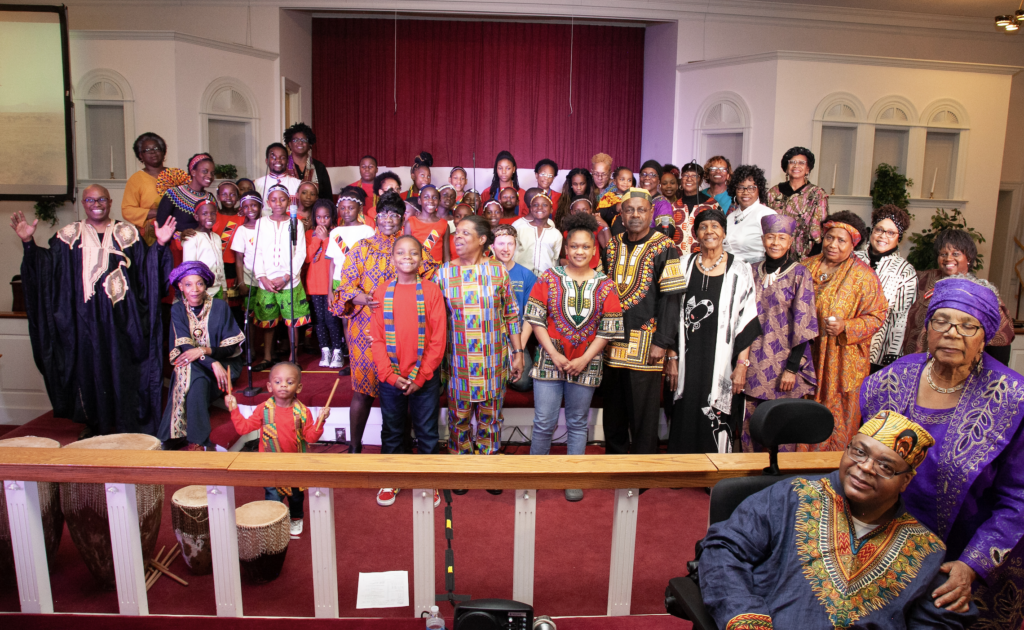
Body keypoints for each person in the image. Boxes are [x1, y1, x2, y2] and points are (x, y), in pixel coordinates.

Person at [700, 411, 977, 629]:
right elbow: (723, 551)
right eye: (859, 451)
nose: (865, 467)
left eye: (885, 466)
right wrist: (746, 619)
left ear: (905, 481)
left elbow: (936, 622)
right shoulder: (792, 497)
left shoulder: (925, 549)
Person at [861, 276, 1024, 627]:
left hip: (967, 562)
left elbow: (1019, 498)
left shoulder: (1012, 399)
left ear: (985, 338)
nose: (952, 332)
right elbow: (861, 463)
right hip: (890, 553)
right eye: (942, 321)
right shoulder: (887, 381)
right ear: (928, 328)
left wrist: (972, 565)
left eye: (968, 325)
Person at [13, 185, 175, 437]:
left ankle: (125, 423)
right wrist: (28, 244)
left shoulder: (128, 233)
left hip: (122, 321)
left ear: (110, 202)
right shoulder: (67, 235)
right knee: (89, 370)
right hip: (82, 322)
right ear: (84, 203)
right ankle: (95, 423)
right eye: (90, 199)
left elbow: (146, 271)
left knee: (122, 367)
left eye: (101, 199)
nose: (96, 203)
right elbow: (47, 272)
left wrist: (161, 246)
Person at [525, 212, 624, 501]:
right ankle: (533, 475)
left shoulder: (606, 284)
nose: (579, 251)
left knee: (578, 422)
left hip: (587, 363)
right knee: (544, 421)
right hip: (548, 361)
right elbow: (535, 318)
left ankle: (573, 476)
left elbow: (609, 329)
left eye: (585, 247)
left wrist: (584, 359)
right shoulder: (549, 277)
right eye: (574, 246)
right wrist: (554, 354)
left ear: (594, 250)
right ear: (565, 249)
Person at [331, 192, 438, 453]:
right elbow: (344, 287)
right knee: (363, 391)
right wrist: (360, 297)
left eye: (395, 214)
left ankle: (403, 445)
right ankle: (355, 448)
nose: (389, 219)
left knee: (405, 386)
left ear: (403, 218)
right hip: (367, 329)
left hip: (406, 330)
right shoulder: (362, 248)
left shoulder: (413, 248)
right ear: (375, 217)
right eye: (384, 214)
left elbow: (431, 279)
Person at [668, 208, 760, 454]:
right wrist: (672, 357)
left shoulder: (740, 269)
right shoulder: (683, 264)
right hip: (688, 354)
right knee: (686, 405)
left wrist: (742, 365)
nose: (709, 231)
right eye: (703, 227)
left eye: (715, 226)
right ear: (696, 233)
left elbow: (747, 319)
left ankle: (716, 469)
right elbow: (669, 312)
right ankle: (681, 467)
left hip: (723, 357)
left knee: (718, 408)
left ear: (724, 232)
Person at [602, 189, 686, 455]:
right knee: (614, 412)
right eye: (629, 210)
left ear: (651, 213)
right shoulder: (613, 245)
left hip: (647, 345)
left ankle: (641, 471)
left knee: (643, 415)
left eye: (641, 210)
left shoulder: (665, 246)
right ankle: (615, 465)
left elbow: (671, 299)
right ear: (622, 214)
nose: (635, 215)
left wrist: (662, 342)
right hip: (612, 343)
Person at [437, 216, 524, 468]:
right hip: (458, 362)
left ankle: (489, 467)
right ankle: (461, 466)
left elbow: (510, 314)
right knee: (459, 417)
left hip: (493, 361)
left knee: (491, 417)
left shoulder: (497, 271)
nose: (458, 237)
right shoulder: (443, 273)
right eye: (457, 233)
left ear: (482, 239)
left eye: (465, 233)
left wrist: (517, 352)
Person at [370, 236, 447, 508]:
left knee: (426, 430)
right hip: (391, 377)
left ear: (421, 259)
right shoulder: (381, 293)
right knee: (392, 430)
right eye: (401, 253)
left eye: (414, 253)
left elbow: (438, 339)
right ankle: (392, 477)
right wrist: (390, 375)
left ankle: (428, 479)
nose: (407, 257)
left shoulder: (431, 291)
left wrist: (422, 375)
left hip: (423, 377)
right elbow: (376, 338)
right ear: (392, 259)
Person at [801, 212, 888, 451]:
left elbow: (878, 315)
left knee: (836, 415)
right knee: (800, 414)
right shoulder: (805, 266)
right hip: (806, 354)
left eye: (842, 240)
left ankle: (830, 474)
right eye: (830, 237)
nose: (833, 244)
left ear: (853, 244)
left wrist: (846, 326)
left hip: (841, 360)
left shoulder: (864, 276)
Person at [741, 214, 819, 452]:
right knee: (750, 427)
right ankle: (748, 482)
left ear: (790, 241)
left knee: (780, 431)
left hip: (783, 363)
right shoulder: (751, 271)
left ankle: (779, 483)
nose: (775, 243)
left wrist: (792, 369)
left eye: (781, 238)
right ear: (763, 239)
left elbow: (805, 324)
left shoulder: (800, 274)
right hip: (751, 360)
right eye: (770, 237)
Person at [226, 362, 328, 536]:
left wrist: (320, 421)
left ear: (299, 387)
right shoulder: (263, 410)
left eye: (289, 382)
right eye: (278, 381)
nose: (283, 385)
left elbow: (311, 437)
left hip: (295, 465)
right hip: (270, 464)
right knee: (272, 497)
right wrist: (234, 409)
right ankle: (274, 521)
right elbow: (243, 428)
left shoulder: (303, 412)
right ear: (269, 386)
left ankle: (296, 518)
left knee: (296, 497)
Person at [159, 261, 244, 450]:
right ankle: (198, 440)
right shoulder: (178, 309)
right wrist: (212, 363)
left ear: (206, 285)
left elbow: (230, 348)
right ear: (180, 287)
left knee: (186, 369)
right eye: (188, 284)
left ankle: (173, 434)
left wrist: (204, 351)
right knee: (193, 374)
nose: (194, 290)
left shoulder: (220, 307)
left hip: (226, 367)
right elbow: (184, 346)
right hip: (210, 366)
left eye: (199, 283)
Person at [902, 228, 1015, 365]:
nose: (948, 258)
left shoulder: (982, 293)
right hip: (917, 364)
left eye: (955, 253)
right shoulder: (923, 280)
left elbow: (1001, 342)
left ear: (969, 258)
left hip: (960, 368)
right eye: (943, 254)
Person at [252, 184, 309, 367]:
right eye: (274, 200)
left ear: (289, 201)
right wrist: (262, 277)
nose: (278, 203)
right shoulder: (261, 223)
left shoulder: (296, 222)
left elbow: (300, 252)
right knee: (268, 322)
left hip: (289, 281)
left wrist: (286, 277)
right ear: (268, 202)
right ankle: (267, 356)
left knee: (292, 321)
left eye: (282, 199)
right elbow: (257, 251)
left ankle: (293, 358)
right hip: (266, 281)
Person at [854, 205, 917, 372]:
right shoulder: (853, 258)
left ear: (899, 237)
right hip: (845, 344)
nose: (883, 236)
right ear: (871, 231)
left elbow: (900, 317)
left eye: (891, 233)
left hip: (877, 353)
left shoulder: (905, 271)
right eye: (879, 230)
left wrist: (892, 353)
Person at [492, 224, 537, 392]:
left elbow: (530, 316)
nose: (506, 249)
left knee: (523, 383)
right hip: (491, 337)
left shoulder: (526, 275)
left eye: (510, 244)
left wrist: (518, 350)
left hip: (515, 337)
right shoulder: (484, 271)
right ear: (492, 246)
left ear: (516, 246)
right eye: (501, 244)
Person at [766, 146, 830, 258]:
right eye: (792, 162)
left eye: (801, 163)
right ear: (786, 167)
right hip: (775, 251)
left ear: (808, 169)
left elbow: (820, 229)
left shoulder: (817, 194)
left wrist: (813, 257)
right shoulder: (774, 192)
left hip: (806, 254)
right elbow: (766, 224)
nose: (796, 166)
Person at [304, 199, 344, 369]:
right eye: (319, 217)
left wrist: (326, 239)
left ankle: (337, 351)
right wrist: (317, 240)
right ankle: (325, 350)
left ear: (332, 217)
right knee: (319, 320)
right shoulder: (308, 234)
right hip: (314, 284)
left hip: (330, 284)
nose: (322, 221)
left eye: (326, 217)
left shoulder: (336, 234)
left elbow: (336, 256)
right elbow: (306, 258)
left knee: (332, 320)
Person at [722, 164, 776, 264]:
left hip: (756, 271)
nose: (745, 192)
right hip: (730, 271)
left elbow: (776, 250)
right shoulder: (730, 217)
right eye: (741, 188)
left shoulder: (767, 215)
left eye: (751, 188)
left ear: (759, 190)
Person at [156, 153, 216, 233]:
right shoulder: (173, 194)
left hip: (202, 244)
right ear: (193, 172)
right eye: (205, 171)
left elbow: (213, 226)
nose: (209, 176)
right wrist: (180, 237)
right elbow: (161, 225)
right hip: (175, 244)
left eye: (212, 173)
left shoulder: (210, 198)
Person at [122, 132, 168, 233]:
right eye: (147, 150)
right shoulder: (136, 179)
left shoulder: (175, 175)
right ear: (140, 155)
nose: (152, 152)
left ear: (163, 151)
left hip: (176, 231)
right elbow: (127, 210)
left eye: (156, 148)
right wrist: (157, 212)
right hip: (149, 234)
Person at [181, 199, 227, 298]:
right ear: (196, 217)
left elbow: (220, 265)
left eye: (213, 213)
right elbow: (189, 269)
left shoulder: (216, 237)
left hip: (217, 289)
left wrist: (224, 289)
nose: (209, 217)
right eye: (204, 214)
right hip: (200, 292)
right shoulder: (191, 238)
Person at [670, 161, 719, 254]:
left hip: (703, 260)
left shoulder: (712, 205)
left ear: (700, 180)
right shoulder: (673, 207)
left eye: (694, 176)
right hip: (677, 261)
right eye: (685, 175)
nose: (689, 179)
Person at [512, 189, 562, 275]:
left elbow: (555, 258)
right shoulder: (520, 229)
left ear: (551, 210)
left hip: (545, 277)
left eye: (545, 205)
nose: (539, 207)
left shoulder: (556, 234)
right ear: (531, 209)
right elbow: (513, 253)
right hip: (522, 275)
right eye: (535, 205)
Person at [283, 122, 333, 199]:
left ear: (309, 144)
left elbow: (327, 197)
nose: (300, 142)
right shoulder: (283, 166)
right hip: (287, 210)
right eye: (295, 140)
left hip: (315, 210)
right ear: (289, 144)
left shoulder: (319, 167)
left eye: (304, 140)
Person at [404, 184, 450, 263]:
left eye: (434, 197)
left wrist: (446, 272)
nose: (430, 200)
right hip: (417, 269)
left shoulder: (444, 224)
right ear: (419, 201)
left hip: (437, 271)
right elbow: (406, 251)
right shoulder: (410, 223)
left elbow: (446, 255)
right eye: (426, 197)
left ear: (439, 201)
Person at [637, 160, 676, 237]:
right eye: (643, 174)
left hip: (653, 247)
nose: (647, 177)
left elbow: (667, 229)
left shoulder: (662, 203)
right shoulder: (634, 199)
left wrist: (638, 233)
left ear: (659, 181)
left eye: (652, 175)